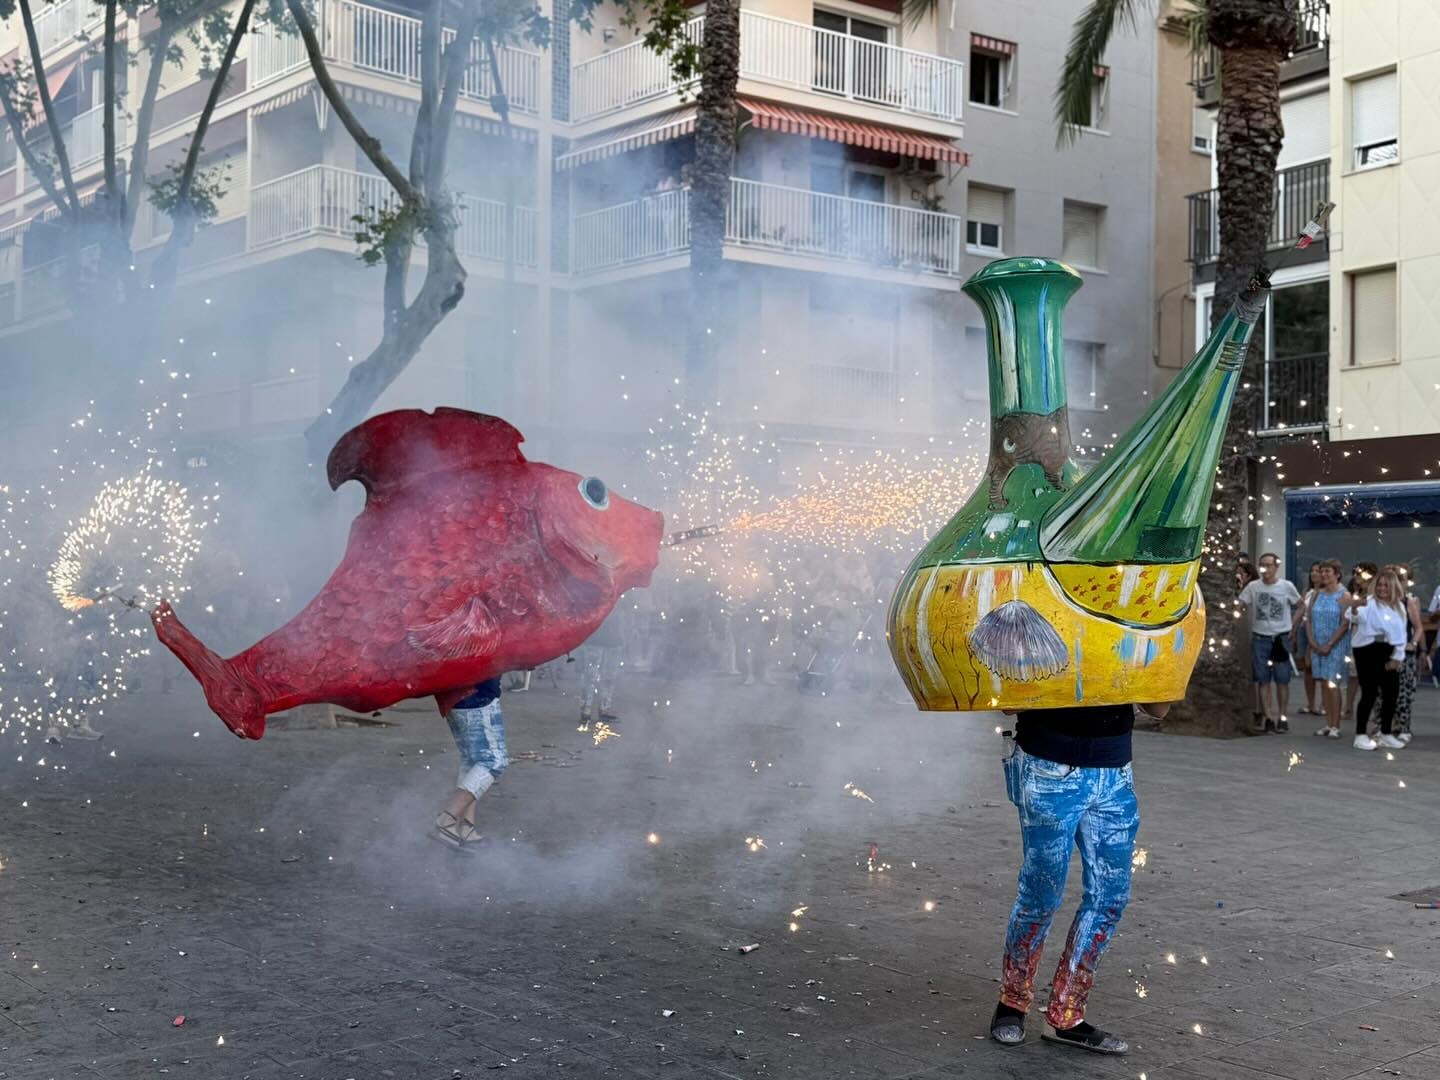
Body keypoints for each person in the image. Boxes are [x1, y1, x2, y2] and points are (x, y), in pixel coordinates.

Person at [989, 699, 1171, 1055]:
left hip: (1115, 771)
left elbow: (1159, 709)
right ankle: (1012, 1001)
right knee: (1041, 895)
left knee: (1110, 899)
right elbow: (1008, 702)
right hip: (1047, 765)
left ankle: (1066, 1014)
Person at [432, 677, 507, 848]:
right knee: (494, 760)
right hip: (477, 696)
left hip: (456, 696)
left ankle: (466, 828)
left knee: (472, 760)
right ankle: (446, 820)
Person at [1238, 553, 1301, 733]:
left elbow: (1301, 605)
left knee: (1282, 680)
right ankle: (1268, 717)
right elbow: (1241, 603)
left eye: (1268, 565)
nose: (1265, 569)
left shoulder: (1286, 586)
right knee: (1263, 679)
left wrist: (1293, 625)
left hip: (1280, 638)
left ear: (1276, 567)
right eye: (1262, 565)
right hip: (1260, 638)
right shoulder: (1254, 587)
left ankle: (1282, 717)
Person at [1348, 567, 1408, 751]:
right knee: (1369, 693)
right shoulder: (1369, 603)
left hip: (1388, 650)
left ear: (1393, 587)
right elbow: (1354, 616)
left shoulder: (1399, 607)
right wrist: (1355, 608)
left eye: (1386, 585)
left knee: (1391, 692)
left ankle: (1385, 733)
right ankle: (1360, 735)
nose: (1382, 588)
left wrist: (1398, 657)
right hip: (1367, 650)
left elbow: (1402, 633)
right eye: (1380, 585)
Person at [1381, 565, 1425, 745]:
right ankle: (1383, 727)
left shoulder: (1408, 601)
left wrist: (1413, 644)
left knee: (1403, 693)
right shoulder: (1378, 601)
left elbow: (1418, 627)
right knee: (1382, 693)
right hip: (1383, 652)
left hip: (1404, 655)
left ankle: (1404, 728)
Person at [1308, 559, 1351, 739]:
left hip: (1336, 645)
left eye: (1328, 571)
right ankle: (1328, 722)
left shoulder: (1344, 595)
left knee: (1332, 683)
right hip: (1317, 644)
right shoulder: (1317, 594)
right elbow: (1309, 618)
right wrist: (1312, 641)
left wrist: (1330, 644)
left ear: (1337, 574)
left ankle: (1336, 725)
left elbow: (1345, 623)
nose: (1324, 575)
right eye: (1322, 571)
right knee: (1323, 683)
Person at [578, 610, 624, 727]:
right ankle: (587, 710)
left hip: (610, 639)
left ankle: (599, 709)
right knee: (591, 677)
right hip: (597, 638)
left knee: (607, 677)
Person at [1292, 562, 1323, 717]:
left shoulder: (1325, 593)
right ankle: (1311, 703)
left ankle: (1323, 704)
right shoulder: (1308, 591)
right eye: (1312, 571)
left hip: (1317, 630)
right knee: (1307, 668)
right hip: (1303, 628)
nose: (1314, 573)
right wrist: (1293, 628)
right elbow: (1301, 609)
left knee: (1319, 667)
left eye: (1318, 571)